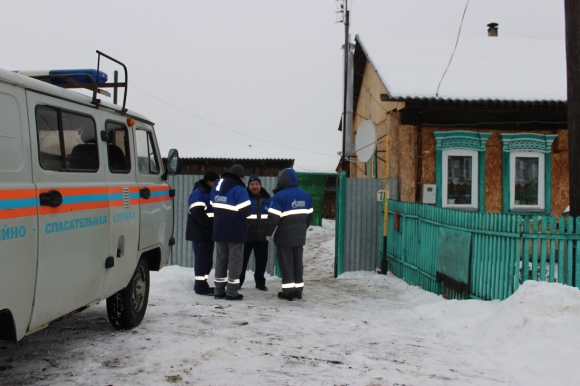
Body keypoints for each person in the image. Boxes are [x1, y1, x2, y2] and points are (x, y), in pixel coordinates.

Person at [266, 168, 313, 301]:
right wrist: (302, 228)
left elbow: (273, 219)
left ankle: (288, 291)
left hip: (284, 237)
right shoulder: (306, 195)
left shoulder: (280, 196)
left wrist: (268, 233)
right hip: (299, 236)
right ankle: (298, 290)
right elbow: (310, 217)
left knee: (286, 263)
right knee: (298, 263)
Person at [210, 164, 252, 300]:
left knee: (221, 259)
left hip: (219, 229)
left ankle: (218, 290)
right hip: (235, 230)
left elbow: (212, 204)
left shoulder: (217, 186)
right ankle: (232, 292)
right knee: (235, 260)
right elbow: (246, 211)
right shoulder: (239, 189)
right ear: (240, 177)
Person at [185, 171, 219, 296]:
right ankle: (200, 286)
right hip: (201, 233)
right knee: (202, 260)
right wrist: (211, 223)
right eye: (215, 182)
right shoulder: (199, 193)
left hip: (207, 233)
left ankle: (203, 283)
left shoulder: (208, 192)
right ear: (209, 181)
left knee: (206, 261)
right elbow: (197, 213)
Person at [240, 175, 271, 291]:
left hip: (262, 236)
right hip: (247, 236)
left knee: (262, 262)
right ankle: (238, 282)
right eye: (252, 184)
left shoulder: (268, 199)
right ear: (248, 186)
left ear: (260, 186)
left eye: (256, 184)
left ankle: (260, 283)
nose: (254, 186)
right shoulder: (244, 198)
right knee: (242, 262)